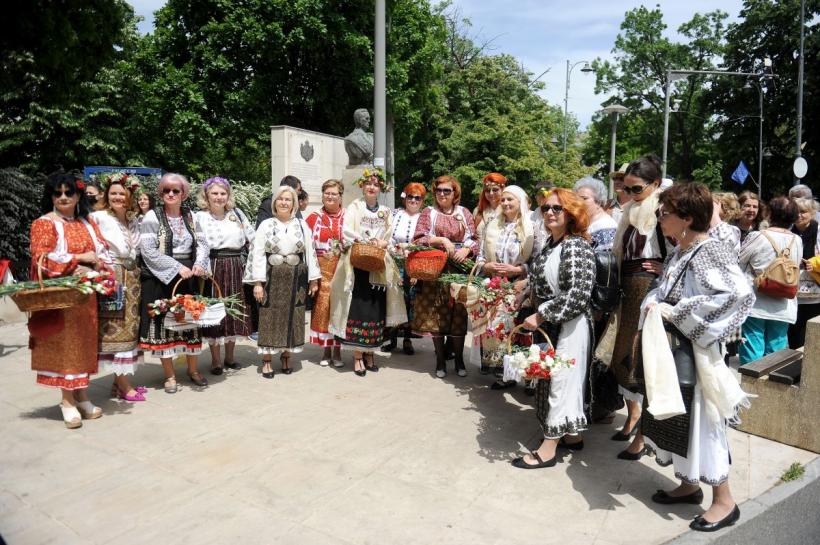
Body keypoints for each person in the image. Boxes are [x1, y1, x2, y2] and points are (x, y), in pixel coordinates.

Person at [640, 182, 754, 532]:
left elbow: (739, 294)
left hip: (698, 354)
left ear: (686, 218)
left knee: (706, 423)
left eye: (665, 213)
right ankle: (690, 484)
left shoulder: (709, 250)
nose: (660, 218)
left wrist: (674, 313)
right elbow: (665, 289)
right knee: (684, 419)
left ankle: (724, 500)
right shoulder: (683, 249)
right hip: (677, 349)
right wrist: (656, 302)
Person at [512, 188, 595, 468]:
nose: (549, 212)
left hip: (571, 325)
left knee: (561, 383)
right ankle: (572, 436)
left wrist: (542, 314)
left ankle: (548, 448)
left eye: (557, 208)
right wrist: (526, 294)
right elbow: (544, 280)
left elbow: (579, 294)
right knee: (556, 380)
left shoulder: (576, 245)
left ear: (571, 212)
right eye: (546, 208)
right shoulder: (551, 243)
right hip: (552, 324)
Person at [29, 172, 111, 428]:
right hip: (60, 298)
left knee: (85, 345)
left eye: (69, 192)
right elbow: (40, 259)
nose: (63, 197)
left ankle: (83, 395)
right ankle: (67, 401)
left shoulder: (87, 223)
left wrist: (93, 267)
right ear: (51, 196)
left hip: (85, 298)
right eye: (58, 193)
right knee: (66, 346)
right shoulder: (44, 223)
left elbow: (103, 253)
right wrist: (78, 260)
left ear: (78, 196)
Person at [605, 155, 668, 460]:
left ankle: (643, 435)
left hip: (648, 289)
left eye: (636, 188)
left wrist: (662, 269)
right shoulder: (630, 210)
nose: (628, 194)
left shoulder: (662, 209)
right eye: (625, 188)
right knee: (622, 360)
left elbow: (680, 249)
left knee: (639, 363)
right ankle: (633, 418)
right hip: (628, 286)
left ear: (655, 184)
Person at [328, 169, 406, 376]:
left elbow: (389, 234)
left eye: (376, 184)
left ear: (381, 188)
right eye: (368, 184)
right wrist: (365, 240)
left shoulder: (387, 212)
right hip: (358, 263)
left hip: (379, 263)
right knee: (359, 307)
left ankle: (371, 352)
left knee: (376, 308)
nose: (372, 187)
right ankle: (357, 356)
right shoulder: (355, 206)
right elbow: (346, 230)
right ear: (363, 186)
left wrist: (383, 242)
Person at [139, 173, 210, 393]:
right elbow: (148, 250)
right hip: (163, 276)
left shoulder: (191, 216)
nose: (170, 194)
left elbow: (203, 243)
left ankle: (193, 370)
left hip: (189, 274)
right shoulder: (152, 216)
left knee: (190, 322)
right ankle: (169, 375)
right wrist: (176, 267)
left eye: (175, 190)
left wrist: (199, 263)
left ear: (183, 194)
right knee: (165, 326)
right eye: (166, 191)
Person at [248, 185, 319, 378]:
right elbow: (258, 253)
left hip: (296, 276)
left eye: (288, 199)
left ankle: (287, 355)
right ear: (275, 202)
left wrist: (313, 279)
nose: (284, 202)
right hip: (272, 275)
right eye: (280, 199)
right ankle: (267, 359)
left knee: (293, 315)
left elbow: (310, 253)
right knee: (269, 315)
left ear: (294, 203)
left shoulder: (301, 225)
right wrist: (257, 282)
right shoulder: (266, 224)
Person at [412, 175, 478, 378]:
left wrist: (467, 250)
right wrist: (442, 240)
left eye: (446, 191)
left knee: (458, 315)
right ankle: (440, 361)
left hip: (459, 269)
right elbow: (419, 238)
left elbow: (475, 239)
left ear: (454, 193)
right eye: (439, 190)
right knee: (436, 315)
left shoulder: (463, 213)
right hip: (435, 270)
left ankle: (458, 359)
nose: (442, 194)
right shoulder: (428, 212)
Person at [91, 173, 146, 402]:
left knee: (130, 327)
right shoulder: (99, 217)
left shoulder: (133, 219)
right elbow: (93, 245)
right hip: (113, 275)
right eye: (113, 193)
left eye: (122, 194)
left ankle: (118, 382)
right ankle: (124, 385)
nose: (117, 197)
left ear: (129, 196)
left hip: (132, 277)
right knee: (116, 327)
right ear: (106, 195)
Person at [194, 177, 255, 375]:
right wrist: (202, 267)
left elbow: (252, 238)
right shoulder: (199, 217)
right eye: (215, 193)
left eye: (223, 193)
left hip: (236, 265)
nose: (219, 197)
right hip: (213, 266)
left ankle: (230, 357)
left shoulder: (236, 214)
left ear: (228, 195)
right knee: (214, 311)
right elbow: (197, 245)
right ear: (206, 196)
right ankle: (216, 360)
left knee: (233, 311)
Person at [474, 185, 533, 380]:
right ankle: (496, 366)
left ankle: (515, 371)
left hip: (519, 285)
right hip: (494, 284)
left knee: (515, 329)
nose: (505, 203)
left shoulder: (531, 226)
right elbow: (480, 256)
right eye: (503, 200)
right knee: (494, 328)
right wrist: (487, 265)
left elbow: (538, 260)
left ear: (520, 203)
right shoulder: (493, 225)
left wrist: (518, 270)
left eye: (511, 200)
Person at [738, 197, 803, 364]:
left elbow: (739, 262)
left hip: (755, 302)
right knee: (776, 351)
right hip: (784, 303)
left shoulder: (757, 236)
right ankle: (772, 388)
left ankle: (751, 387)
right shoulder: (797, 240)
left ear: (769, 213)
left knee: (752, 347)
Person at [382, 182, 427, 355]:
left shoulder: (424, 218)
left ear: (422, 201)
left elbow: (425, 241)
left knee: (411, 301)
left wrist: (415, 265)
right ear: (405, 198)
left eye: (418, 198)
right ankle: (391, 338)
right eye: (410, 196)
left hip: (414, 263)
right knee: (393, 299)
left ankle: (407, 339)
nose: (414, 201)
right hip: (394, 261)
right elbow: (387, 235)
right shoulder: (395, 214)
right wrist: (394, 249)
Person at [305, 179, 346, 367]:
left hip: (343, 268)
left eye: (334, 193)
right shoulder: (313, 218)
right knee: (323, 309)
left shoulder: (348, 216)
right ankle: (326, 350)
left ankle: (338, 351)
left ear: (340, 196)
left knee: (339, 308)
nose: (330, 196)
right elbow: (306, 246)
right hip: (322, 269)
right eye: (327, 193)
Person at [789, 197, 820, 349]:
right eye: (796, 211)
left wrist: (814, 264)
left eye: (804, 212)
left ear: (812, 213)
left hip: (815, 296)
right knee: (794, 337)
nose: (799, 215)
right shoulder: (788, 231)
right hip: (791, 293)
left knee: (812, 337)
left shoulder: (819, 230)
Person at [575, 177, 618, 251]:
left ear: (598, 201)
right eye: (577, 199)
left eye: (584, 198)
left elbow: (607, 260)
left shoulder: (605, 225)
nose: (579, 202)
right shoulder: (589, 222)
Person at [474, 172, 507, 240]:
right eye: (487, 190)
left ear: (503, 189)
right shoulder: (478, 210)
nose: (491, 193)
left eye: (495, 190)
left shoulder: (507, 210)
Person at [530, 181, 554, 257]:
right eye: (536, 196)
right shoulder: (535, 213)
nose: (536, 198)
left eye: (542, 196)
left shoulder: (556, 211)